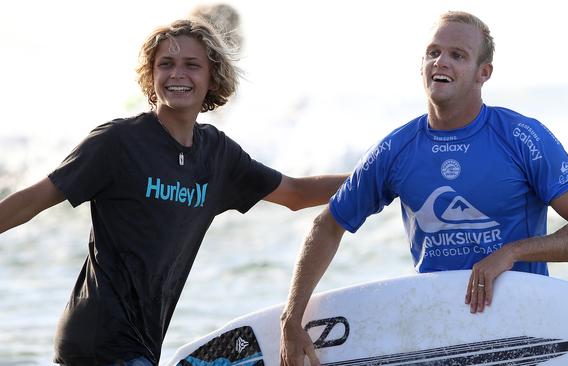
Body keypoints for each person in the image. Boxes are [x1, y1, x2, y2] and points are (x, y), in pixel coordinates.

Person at [0, 18, 347, 366]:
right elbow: (34, 199)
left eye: (191, 65)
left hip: (142, 346)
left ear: (212, 77)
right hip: (97, 340)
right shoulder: (118, 142)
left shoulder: (218, 156)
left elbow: (295, 194)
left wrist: (377, 175)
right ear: (151, 75)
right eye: (165, 64)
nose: (177, 74)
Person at [278, 10, 568, 365]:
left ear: (483, 73)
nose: (441, 61)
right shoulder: (397, 149)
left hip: (520, 330)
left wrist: (512, 252)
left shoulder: (521, 137)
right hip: (439, 334)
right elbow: (327, 226)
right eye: (433, 52)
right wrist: (292, 316)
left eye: (458, 55)